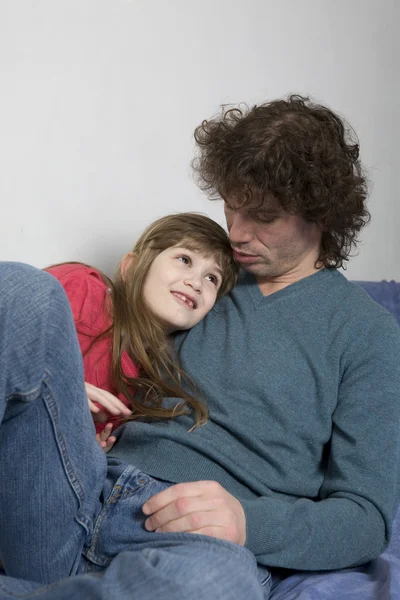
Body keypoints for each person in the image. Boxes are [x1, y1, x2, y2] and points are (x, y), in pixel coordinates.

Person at [1, 95, 400, 600]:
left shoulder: (367, 333)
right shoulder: (205, 280)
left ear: (320, 213)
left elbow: (365, 518)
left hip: (195, 545)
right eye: (232, 207)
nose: (237, 233)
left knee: (216, 584)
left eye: (264, 216)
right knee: (25, 292)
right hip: (83, 490)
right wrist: (57, 390)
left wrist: (246, 521)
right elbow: (115, 333)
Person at [45, 212, 238, 450]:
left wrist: (90, 448)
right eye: (185, 260)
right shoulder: (84, 288)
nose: (196, 283)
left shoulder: (141, 388)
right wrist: (55, 388)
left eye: (212, 278)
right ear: (132, 267)